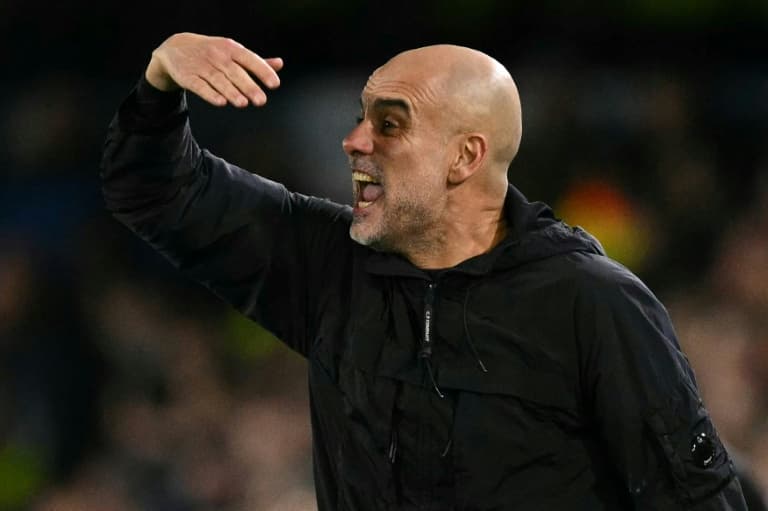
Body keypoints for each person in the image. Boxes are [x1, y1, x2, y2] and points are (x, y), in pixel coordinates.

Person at [100, 32, 749, 510]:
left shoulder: (593, 303)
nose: (355, 141)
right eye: (361, 118)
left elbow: (697, 499)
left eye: (390, 124)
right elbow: (157, 192)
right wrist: (161, 80)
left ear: (465, 157)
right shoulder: (329, 266)